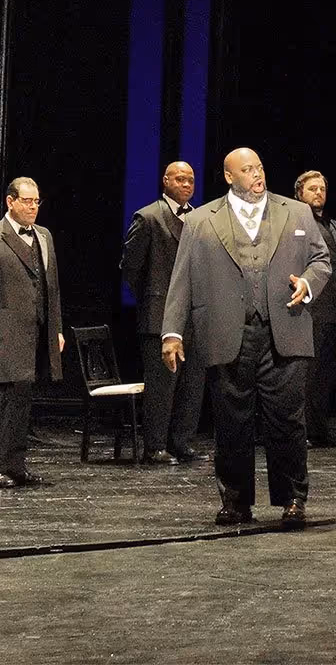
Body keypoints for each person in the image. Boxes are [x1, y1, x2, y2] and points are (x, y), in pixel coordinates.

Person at [161, 147, 330, 527]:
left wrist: (307, 282)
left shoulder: (297, 212)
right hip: (226, 331)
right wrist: (171, 332)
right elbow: (181, 279)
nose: (257, 175)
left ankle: (293, 500)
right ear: (229, 176)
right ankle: (236, 501)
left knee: (287, 420)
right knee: (231, 422)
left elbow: (321, 259)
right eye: (247, 169)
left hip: (283, 328)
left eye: (260, 167)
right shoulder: (201, 220)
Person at [0, 177, 64, 487]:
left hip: (34, 332)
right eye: (27, 201)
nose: (33, 207)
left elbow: (52, 289)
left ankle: (16, 464)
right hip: (2, 330)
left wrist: (56, 329)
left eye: (37, 201)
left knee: (21, 400)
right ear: (11, 202)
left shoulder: (44, 236)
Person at [122, 160, 204, 463]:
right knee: (162, 384)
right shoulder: (148, 217)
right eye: (180, 179)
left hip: (194, 315)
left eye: (191, 180)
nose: (186, 185)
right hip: (159, 314)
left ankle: (182, 441)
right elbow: (131, 267)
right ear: (166, 181)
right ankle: (155, 445)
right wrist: (152, 298)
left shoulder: (198, 218)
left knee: (192, 382)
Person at [294, 171, 336, 447]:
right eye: (312, 189)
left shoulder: (333, 225)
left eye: (322, 189)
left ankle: (318, 428)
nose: (319, 193)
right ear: (300, 194)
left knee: (325, 374)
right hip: (312, 310)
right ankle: (302, 430)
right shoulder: (296, 224)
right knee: (308, 373)